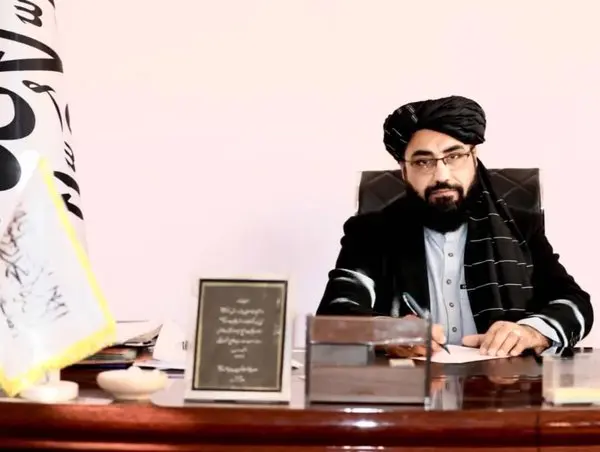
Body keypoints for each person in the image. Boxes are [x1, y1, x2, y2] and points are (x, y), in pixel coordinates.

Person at [316, 95, 593, 358]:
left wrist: (532, 332)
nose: (442, 175)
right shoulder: (371, 232)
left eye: (454, 156)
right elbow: (334, 317)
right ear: (404, 170)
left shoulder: (520, 226)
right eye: (423, 162)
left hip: (504, 383)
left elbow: (575, 302)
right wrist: (387, 333)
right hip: (408, 383)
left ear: (474, 158)